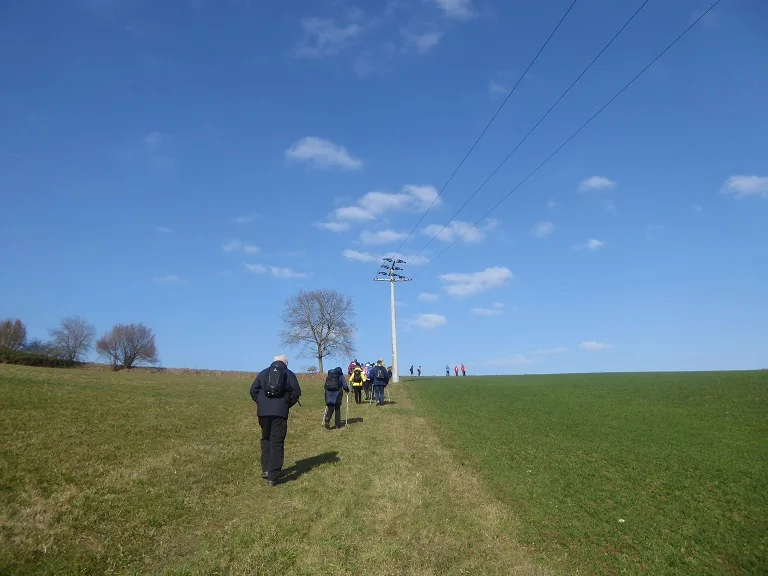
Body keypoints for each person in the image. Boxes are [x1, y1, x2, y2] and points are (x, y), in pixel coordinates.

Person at [250, 354, 302, 487]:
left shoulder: (264, 373)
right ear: (286, 364)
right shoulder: (289, 374)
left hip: (263, 412)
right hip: (280, 412)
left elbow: (253, 390)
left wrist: (261, 402)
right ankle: (273, 476)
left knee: (266, 438)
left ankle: (266, 469)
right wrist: (285, 404)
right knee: (277, 441)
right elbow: (296, 393)